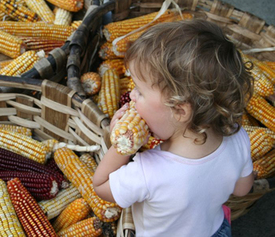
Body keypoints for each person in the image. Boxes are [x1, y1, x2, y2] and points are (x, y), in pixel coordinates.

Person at [93, 19, 255, 237]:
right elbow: (242, 189)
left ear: (180, 111)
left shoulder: (148, 171)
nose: (131, 96)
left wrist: (121, 146)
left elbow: (101, 185)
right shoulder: (238, 136)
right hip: (214, 230)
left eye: (140, 92)